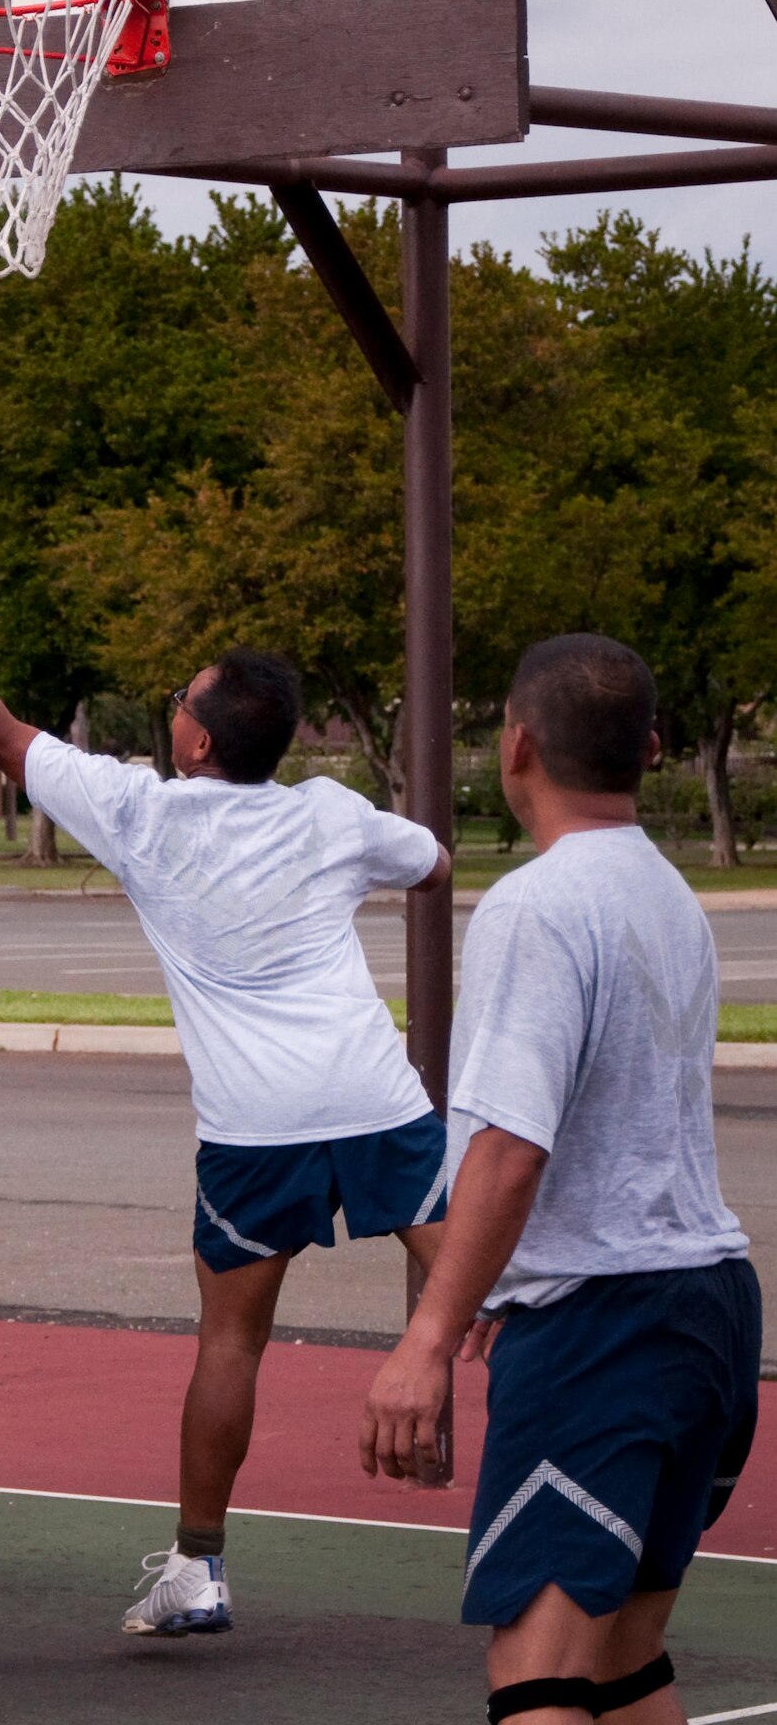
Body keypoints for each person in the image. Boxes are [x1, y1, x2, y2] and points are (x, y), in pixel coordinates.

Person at [0, 528, 452, 1639]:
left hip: (254, 1126)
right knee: (496, 1299)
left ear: (192, 732)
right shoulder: (327, 812)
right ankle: (597, 1479)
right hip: (376, 1097)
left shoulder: (139, 810)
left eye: (183, 692)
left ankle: (199, 1567)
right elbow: (433, 863)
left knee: (230, 1341)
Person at [362, 635, 759, 1725]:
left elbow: (510, 1145)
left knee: (536, 1674)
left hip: (607, 1322)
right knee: (622, 1660)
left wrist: (427, 1336)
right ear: (651, 749)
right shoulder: (666, 889)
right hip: (707, 1303)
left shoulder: (537, 905)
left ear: (518, 744)